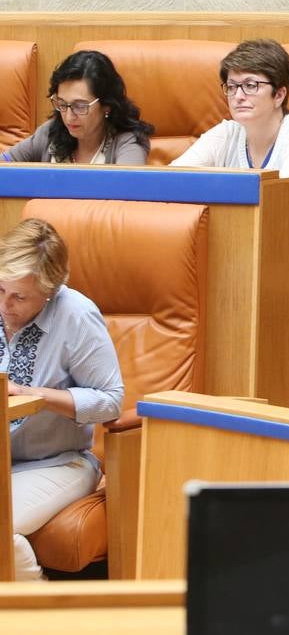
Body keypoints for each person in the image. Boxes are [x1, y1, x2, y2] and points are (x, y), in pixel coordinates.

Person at [169, 39, 289, 305]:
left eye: (250, 85)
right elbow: (172, 181)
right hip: (242, 266)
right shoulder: (226, 133)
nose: (238, 95)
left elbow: (284, 200)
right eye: (231, 87)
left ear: (279, 94)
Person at [2, 219, 124, 581]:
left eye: (19, 297)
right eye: (1, 291)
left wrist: (38, 395)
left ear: (50, 291)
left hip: (58, 464)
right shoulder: (2, 298)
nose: (6, 306)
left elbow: (111, 400)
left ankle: (42, 613)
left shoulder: (77, 316)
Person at [1, 50, 153, 165]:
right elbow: (4, 167)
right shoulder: (49, 133)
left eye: (80, 106)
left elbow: (127, 190)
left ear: (107, 105)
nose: (68, 117)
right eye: (62, 104)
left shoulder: (127, 142)